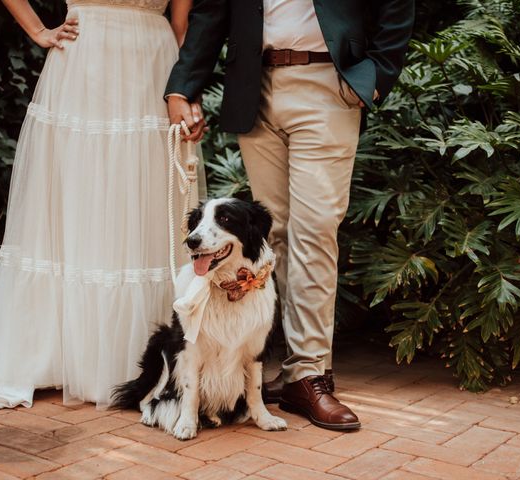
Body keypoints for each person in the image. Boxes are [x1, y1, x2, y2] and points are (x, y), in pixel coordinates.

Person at [0, 0, 199, 412]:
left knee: (142, 199)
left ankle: (142, 358)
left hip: (154, 65)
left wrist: (185, 91)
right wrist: (38, 30)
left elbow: (180, 24)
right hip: (84, 60)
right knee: (82, 194)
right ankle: (64, 355)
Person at [166, 0, 415, 430]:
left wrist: (375, 77)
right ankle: (300, 368)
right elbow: (212, 12)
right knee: (274, 237)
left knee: (315, 230)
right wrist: (181, 88)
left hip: (328, 83)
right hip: (254, 88)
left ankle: (309, 373)